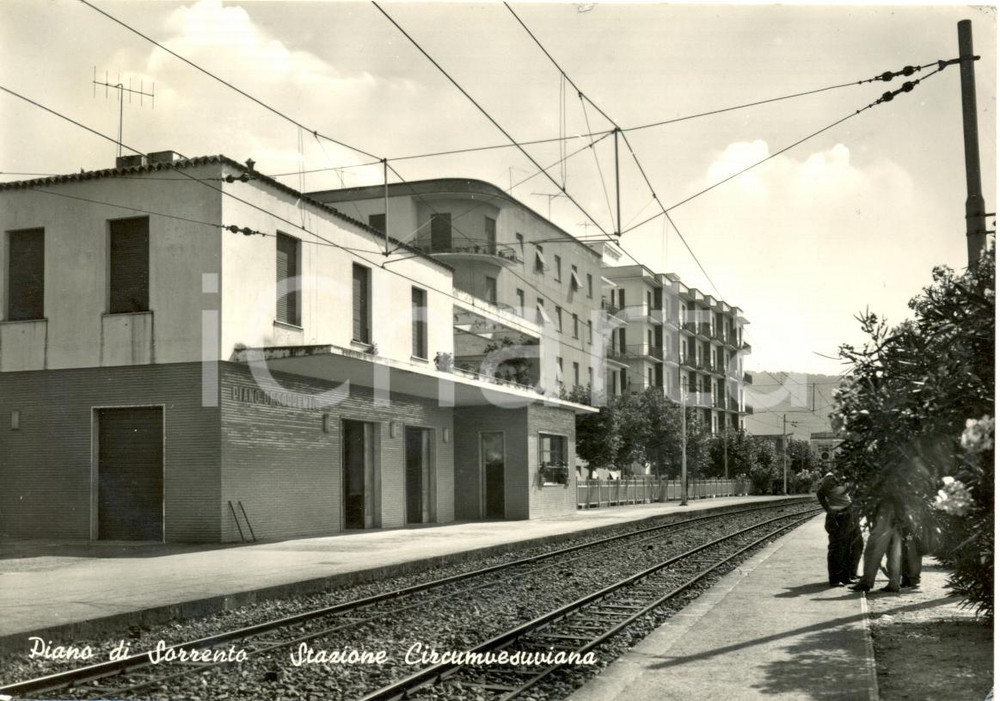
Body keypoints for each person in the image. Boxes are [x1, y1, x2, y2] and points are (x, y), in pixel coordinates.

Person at [816, 471, 863, 587]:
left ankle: (846, 576)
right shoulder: (830, 478)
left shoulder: (845, 476)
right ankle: (835, 578)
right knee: (837, 548)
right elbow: (820, 494)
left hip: (849, 514)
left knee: (850, 546)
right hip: (838, 516)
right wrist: (829, 510)